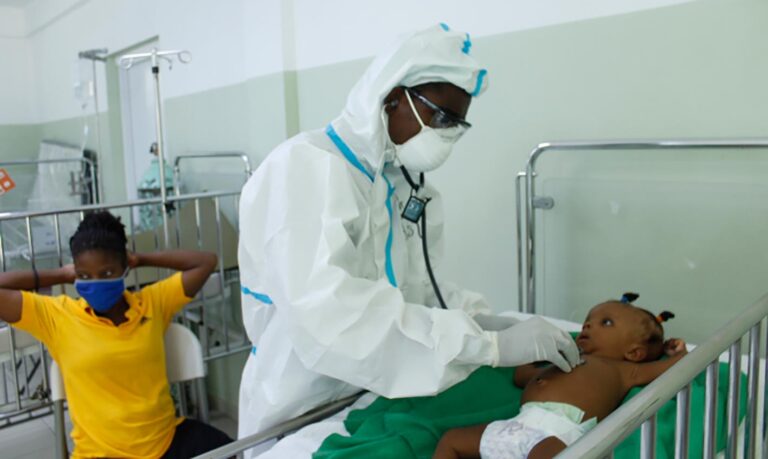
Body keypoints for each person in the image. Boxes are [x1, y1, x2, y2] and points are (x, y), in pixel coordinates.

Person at [236, 22, 580, 447]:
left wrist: (481, 318)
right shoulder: (305, 168)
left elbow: (418, 289)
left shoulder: (402, 185)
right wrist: (487, 345)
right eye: (441, 117)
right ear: (393, 97)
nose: (448, 134)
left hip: (379, 391)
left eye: (458, 124)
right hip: (303, 399)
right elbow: (330, 317)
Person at [0, 211, 232, 458]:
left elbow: (206, 261)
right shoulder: (57, 316)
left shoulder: (152, 302)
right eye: (85, 275)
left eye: (107, 273)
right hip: (101, 453)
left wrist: (140, 258)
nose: (96, 282)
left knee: (234, 450)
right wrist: (61, 274)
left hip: (166, 440)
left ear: (124, 267)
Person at [432, 294, 687, 459]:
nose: (587, 325)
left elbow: (670, 371)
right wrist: (533, 350)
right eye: (589, 320)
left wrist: (678, 354)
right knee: (452, 440)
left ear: (634, 352)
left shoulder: (622, 371)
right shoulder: (566, 361)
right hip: (514, 427)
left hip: (557, 436)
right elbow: (522, 376)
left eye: (605, 323)